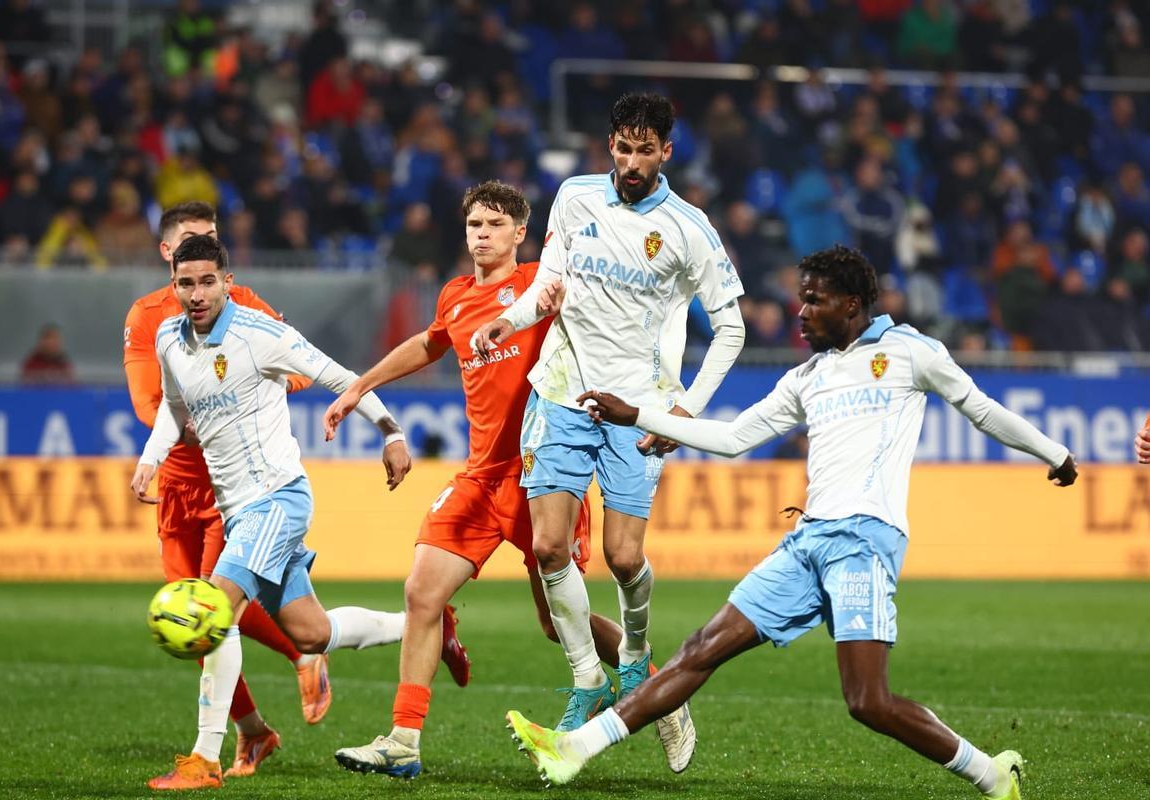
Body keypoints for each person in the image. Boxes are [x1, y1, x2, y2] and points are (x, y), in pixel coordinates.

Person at [505, 245, 1078, 800]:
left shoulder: (909, 352)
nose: (800, 313)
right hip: (807, 544)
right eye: (801, 300)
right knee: (701, 647)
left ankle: (993, 775)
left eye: (813, 301)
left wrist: (1054, 453)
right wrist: (640, 416)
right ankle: (575, 749)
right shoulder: (808, 377)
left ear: (851, 304)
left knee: (867, 701)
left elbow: (980, 408)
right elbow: (733, 438)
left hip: (862, 541)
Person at [123, 205, 468, 785]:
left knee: (214, 610)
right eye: (187, 284)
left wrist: (391, 430)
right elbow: (174, 414)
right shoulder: (168, 339)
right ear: (173, 285)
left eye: (209, 281)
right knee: (312, 632)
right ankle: (432, 625)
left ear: (226, 282)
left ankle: (205, 759)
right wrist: (150, 460)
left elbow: (340, 376)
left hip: (278, 498)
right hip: (241, 513)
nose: (198, 293)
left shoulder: (261, 335)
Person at [325, 181, 654, 777]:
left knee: (558, 626)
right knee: (422, 594)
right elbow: (430, 344)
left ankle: (654, 683)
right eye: (475, 224)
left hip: (543, 473)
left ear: (520, 234)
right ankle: (403, 740)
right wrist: (359, 386)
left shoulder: (538, 284)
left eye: (495, 225)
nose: (482, 234)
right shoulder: (453, 295)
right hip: (481, 478)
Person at [470, 93, 745, 759]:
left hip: (639, 407)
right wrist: (511, 320)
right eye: (621, 148)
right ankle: (589, 679)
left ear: (666, 152)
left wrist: (685, 411)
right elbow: (550, 287)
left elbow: (731, 327)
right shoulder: (574, 197)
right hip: (562, 392)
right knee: (548, 550)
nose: (629, 161)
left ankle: (638, 659)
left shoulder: (688, 228)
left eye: (643, 150)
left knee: (623, 558)